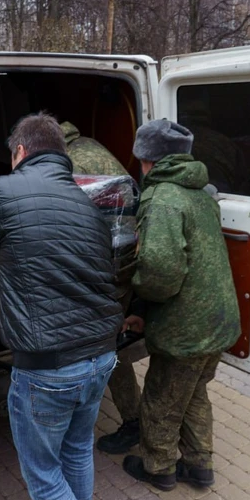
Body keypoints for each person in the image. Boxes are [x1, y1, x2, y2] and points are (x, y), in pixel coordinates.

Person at [0, 113, 122, 500]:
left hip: (48, 364)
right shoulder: (87, 203)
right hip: (102, 354)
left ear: (20, 152)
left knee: (44, 477)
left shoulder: (2, 190)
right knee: (77, 447)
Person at [120, 120, 240, 492]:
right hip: (219, 320)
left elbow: (159, 270)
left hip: (186, 327)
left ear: (145, 158)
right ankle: (199, 466)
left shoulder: (162, 199)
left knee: (160, 398)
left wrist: (136, 295)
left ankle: (159, 468)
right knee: (193, 394)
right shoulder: (201, 193)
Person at [60, 120, 143, 456]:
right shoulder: (91, 146)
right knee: (108, 337)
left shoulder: (67, 162)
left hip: (106, 264)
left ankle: (134, 421)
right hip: (125, 255)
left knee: (105, 343)